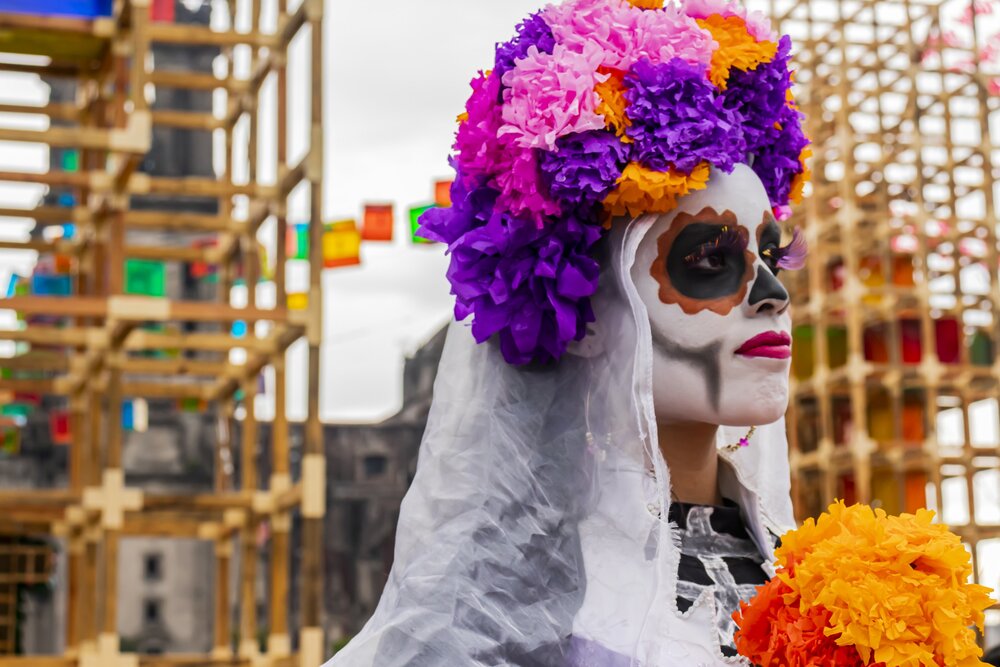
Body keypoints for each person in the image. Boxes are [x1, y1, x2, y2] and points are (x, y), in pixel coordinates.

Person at [324, 0, 810, 664]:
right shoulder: (503, 604)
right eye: (708, 260)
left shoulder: (820, 579)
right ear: (590, 307)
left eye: (772, 256)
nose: (772, 296)